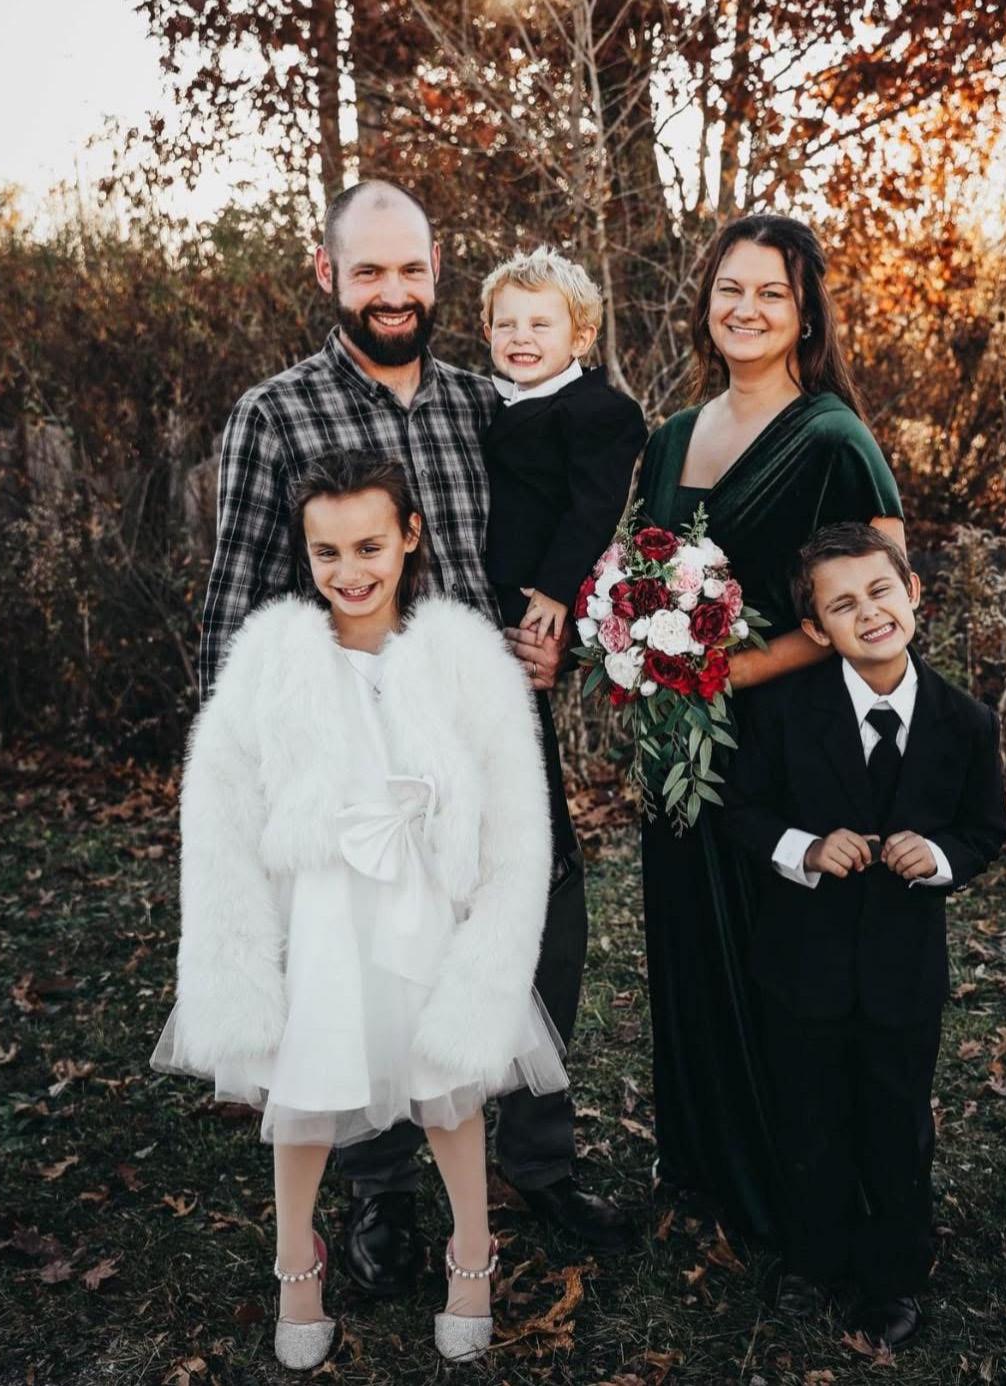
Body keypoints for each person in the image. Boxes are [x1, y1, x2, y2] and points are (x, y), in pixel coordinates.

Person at [198, 180, 629, 1297]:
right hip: (357, 745)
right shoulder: (277, 415)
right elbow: (236, 605)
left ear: (437, 272)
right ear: (328, 275)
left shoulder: (493, 404)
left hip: (491, 725)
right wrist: (242, 779)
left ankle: (538, 1162)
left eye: (410, 269)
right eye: (369, 271)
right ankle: (384, 1187)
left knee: (540, 927)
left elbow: (559, 537)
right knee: (368, 961)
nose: (393, 292)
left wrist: (560, 638)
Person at [154, 456, 567, 1368]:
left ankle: (471, 1251)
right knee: (308, 1083)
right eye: (328, 552)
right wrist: (237, 951)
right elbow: (220, 807)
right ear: (305, 553)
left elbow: (513, 812)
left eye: (370, 547)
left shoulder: (464, 661)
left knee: (445, 1081)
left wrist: (491, 936)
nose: (350, 571)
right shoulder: (272, 663)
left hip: (427, 903)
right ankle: (296, 1263)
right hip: (322, 913)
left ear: (410, 536)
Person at [637, 214, 906, 1245]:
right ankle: (708, 1172)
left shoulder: (832, 439)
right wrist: (638, 646)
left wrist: (736, 668)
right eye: (730, 289)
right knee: (691, 951)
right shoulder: (671, 437)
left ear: (805, 315)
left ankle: (813, 1200)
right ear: (705, 301)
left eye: (771, 293)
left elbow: (883, 601)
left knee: (788, 969)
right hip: (682, 747)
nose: (745, 309)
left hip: (791, 746)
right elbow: (639, 575)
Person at [722, 523, 1006, 1349]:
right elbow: (741, 811)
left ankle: (893, 1276)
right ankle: (813, 1257)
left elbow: (984, 831)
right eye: (842, 605)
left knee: (896, 1121)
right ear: (816, 630)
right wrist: (806, 849)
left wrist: (940, 857)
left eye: (881, 591)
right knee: (808, 1115)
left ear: (912, 593)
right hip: (800, 963)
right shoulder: (783, 711)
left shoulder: (966, 721)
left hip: (901, 971)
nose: (870, 613)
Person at [481, 244, 647, 856]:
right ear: (487, 332)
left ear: (580, 337)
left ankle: (547, 864)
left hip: (536, 598)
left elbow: (593, 509)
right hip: (484, 595)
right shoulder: (492, 404)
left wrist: (555, 589)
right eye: (506, 324)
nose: (520, 337)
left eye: (539, 324)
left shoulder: (598, 412)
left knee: (523, 742)